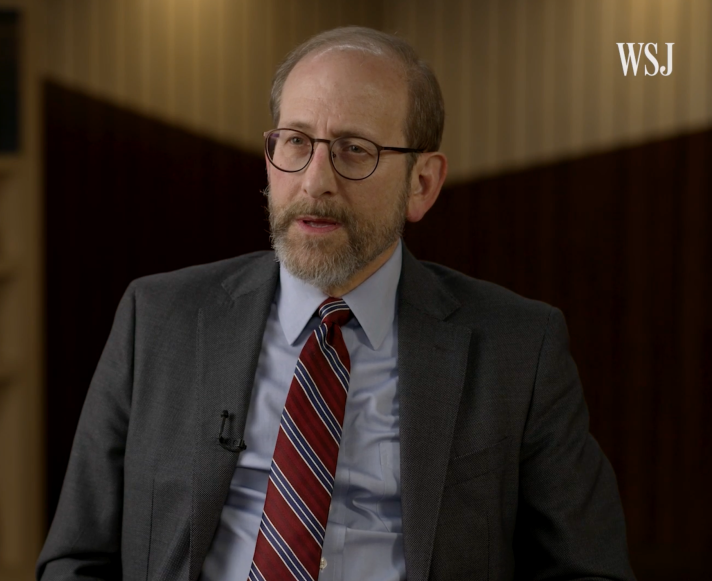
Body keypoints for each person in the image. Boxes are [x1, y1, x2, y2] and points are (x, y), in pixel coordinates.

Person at [37, 26, 634, 581]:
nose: (314, 180)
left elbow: (591, 569)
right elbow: (76, 558)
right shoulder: (157, 318)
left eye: (354, 150)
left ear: (421, 184)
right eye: (295, 142)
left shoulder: (518, 348)